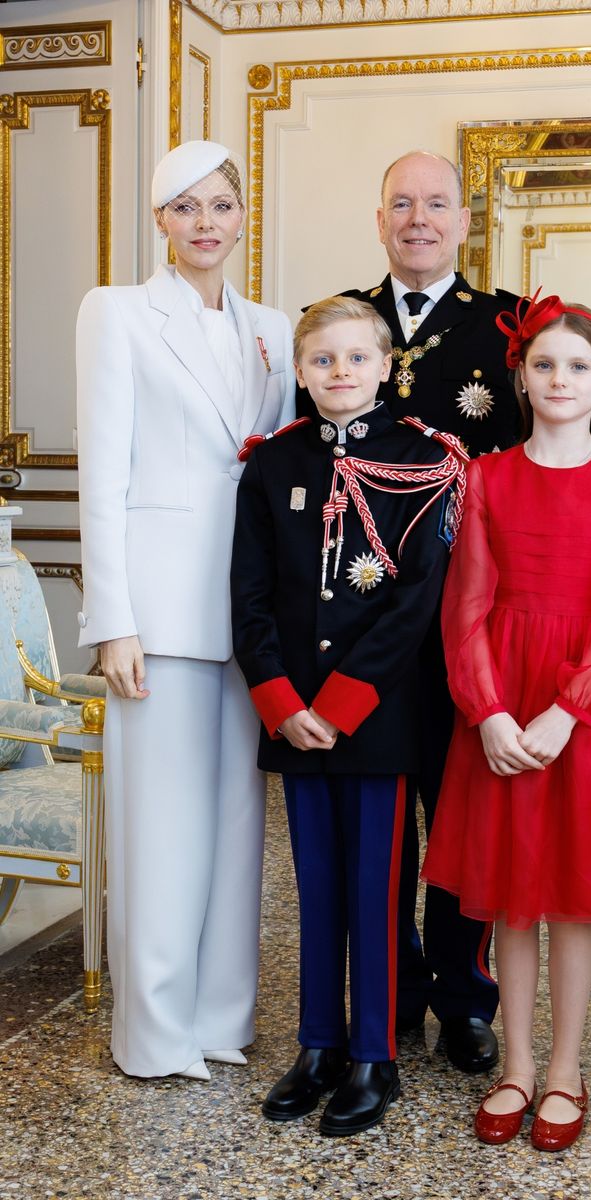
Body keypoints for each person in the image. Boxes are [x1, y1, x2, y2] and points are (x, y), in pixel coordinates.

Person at [301, 149, 591, 1076]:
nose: (418, 219)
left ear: (463, 219)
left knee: (483, 832)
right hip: (373, 626)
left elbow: (569, 467)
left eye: (436, 203)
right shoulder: (340, 324)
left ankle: (467, 1002)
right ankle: (386, 1004)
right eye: (400, 204)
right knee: (387, 829)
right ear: (378, 218)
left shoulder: (502, 324)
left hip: (495, 638)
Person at [422, 290, 591, 1151]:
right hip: (501, 703)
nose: (560, 378)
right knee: (508, 904)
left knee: (568, 902)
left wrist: (565, 714)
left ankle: (565, 1069)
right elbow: (466, 608)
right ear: (521, 378)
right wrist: (489, 712)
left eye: (578, 366)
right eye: (544, 365)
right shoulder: (487, 476)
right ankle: (517, 1066)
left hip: (586, 713)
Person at [76, 140, 295, 1080]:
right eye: (184, 208)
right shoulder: (117, 313)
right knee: (160, 829)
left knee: (234, 826)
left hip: (248, 610)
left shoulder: (275, 329)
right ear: (159, 222)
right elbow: (102, 471)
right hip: (158, 611)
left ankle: (219, 1020)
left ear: (242, 216)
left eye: (220, 205)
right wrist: (112, 618)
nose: (205, 223)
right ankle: (154, 1034)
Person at [231, 295, 466, 1135]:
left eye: (355, 358)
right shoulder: (272, 465)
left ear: (386, 367)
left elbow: (415, 602)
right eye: (322, 360)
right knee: (316, 889)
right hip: (292, 717)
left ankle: (375, 1054)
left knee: (375, 890)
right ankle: (318, 1044)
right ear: (299, 371)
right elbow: (250, 595)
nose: (339, 373)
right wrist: (281, 703)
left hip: (376, 718)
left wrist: (337, 705)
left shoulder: (424, 461)